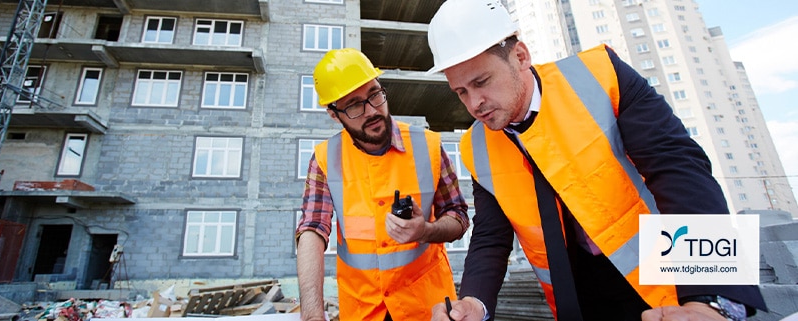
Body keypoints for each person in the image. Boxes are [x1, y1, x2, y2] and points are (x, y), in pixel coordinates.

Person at [425, 1, 767, 321]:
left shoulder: (601, 75)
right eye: (461, 92)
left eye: (481, 82)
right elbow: (491, 236)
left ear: (520, 56)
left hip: (670, 278)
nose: (475, 103)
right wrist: (473, 301)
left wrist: (712, 298)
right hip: (578, 297)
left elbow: (678, 167)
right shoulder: (476, 145)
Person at [295, 47, 470, 321]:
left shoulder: (429, 146)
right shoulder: (325, 159)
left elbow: (458, 217)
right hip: (362, 310)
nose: (372, 111)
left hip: (428, 309)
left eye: (375, 94)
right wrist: (312, 313)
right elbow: (312, 231)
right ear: (333, 113)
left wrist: (426, 230)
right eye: (354, 105)